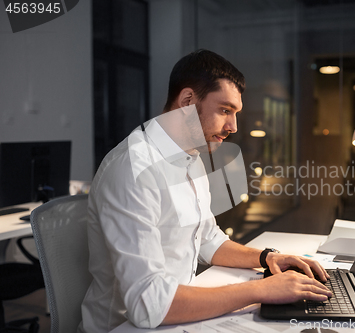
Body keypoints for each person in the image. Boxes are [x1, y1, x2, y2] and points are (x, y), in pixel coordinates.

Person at [78, 49, 332, 333]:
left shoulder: (190, 156)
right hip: (126, 326)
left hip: (177, 315)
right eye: (225, 110)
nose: (233, 127)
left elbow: (207, 239)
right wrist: (261, 290)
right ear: (187, 101)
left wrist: (267, 258)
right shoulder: (133, 169)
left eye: (235, 114)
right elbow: (148, 304)